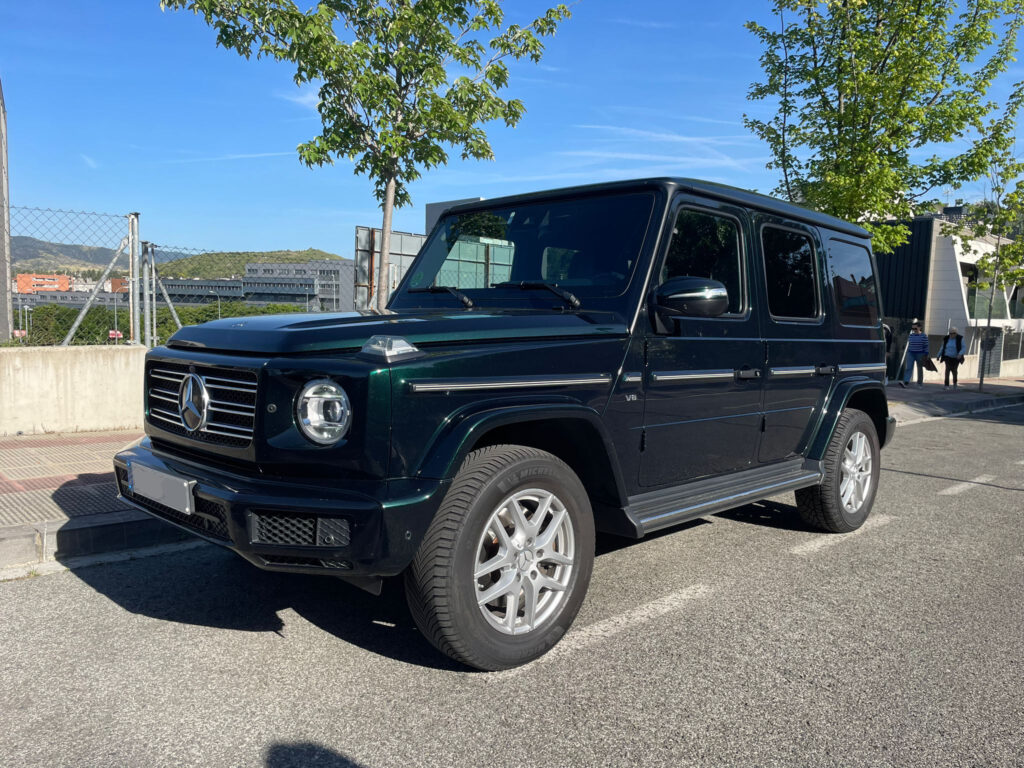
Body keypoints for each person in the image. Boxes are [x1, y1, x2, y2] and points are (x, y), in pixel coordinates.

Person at [900, 322, 929, 388]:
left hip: (920, 353)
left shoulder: (924, 336)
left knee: (919, 368)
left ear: (919, 328)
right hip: (911, 353)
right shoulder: (911, 335)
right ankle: (906, 382)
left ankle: (920, 383)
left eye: (915, 328)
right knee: (909, 367)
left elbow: (926, 346)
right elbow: (910, 344)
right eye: (912, 328)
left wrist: (926, 354)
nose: (914, 330)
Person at [938, 326, 965, 390]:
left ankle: (955, 383)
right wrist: (938, 355)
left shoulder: (960, 338)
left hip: (956, 357)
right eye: (950, 333)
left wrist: (960, 354)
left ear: (956, 333)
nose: (951, 335)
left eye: (953, 333)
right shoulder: (946, 338)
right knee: (947, 370)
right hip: (947, 356)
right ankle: (946, 385)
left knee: (954, 370)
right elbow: (943, 347)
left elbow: (964, 348)